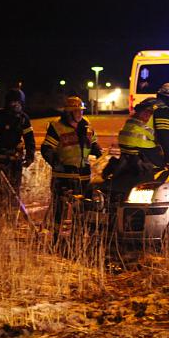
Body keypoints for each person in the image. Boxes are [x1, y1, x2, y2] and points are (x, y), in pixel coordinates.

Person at [41, 96, 102, 239]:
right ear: (69, 113)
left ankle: (77, 236)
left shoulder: (86, 124)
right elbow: (46, 149)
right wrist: (57, 164)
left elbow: (92, 143)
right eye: (77, 111)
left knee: (82, 208)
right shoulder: (56, 127)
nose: (80, 114)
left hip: (84, 175)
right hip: (64, 176)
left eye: (81, 111)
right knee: (59, 208)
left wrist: (98, 151)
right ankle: (55, 237)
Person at [0, 88, 36, 210]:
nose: (16, 105)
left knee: (14, 192)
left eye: (18, 103)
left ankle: (11, 219)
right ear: (7, 103)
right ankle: (0, 215)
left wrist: (30, 156)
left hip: (15, 160)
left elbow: (29, 139)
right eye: (13, 102)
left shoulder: (24, 119)